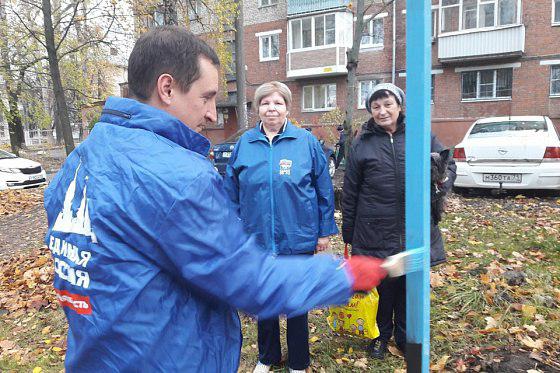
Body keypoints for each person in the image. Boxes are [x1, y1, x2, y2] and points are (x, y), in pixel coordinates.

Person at [43, 26, 388, 372]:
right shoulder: (178, 175)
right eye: (206, 97)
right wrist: (342, 276)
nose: (211, 114)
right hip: (167, 358)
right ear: (167, 88)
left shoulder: (80, 160)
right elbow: (246, 280)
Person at [224, 82, 336, 373]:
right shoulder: (245, 145)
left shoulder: (305, 142)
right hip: (257, 238)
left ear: (287, 107)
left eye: (277, 103)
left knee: (297, 302)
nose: (271, 108)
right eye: (265, 103)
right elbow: (231, 192)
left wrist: (324, 231)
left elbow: (323, 189)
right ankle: (267, 357)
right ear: (257, 108)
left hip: (296, 235)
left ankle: (298, 361)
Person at [341, 83, 456, 360]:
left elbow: (447, 165)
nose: (382, 111)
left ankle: (405, 337)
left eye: (387, 104)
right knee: (382, 287)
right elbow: (351, 188)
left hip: (412, 227)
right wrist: (349, 232)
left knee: (408, 285)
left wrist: (441, 180)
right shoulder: (362, 142)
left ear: (399, 105)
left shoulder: (420, 136)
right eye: (376, 106)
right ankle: (380, 336)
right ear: (370, 111)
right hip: (373, 228)